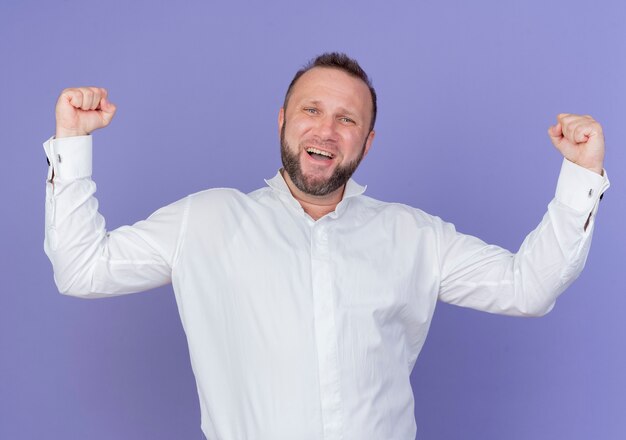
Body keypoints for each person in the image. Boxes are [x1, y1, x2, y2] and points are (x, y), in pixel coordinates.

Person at [43, 52, 609, 440]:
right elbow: (82, 270)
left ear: (367, 139)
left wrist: (582, 177)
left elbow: (527, 288)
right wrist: (72, 140)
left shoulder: (414, 236)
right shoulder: (205, 220)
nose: (326, 130)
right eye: (312, 110)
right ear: (283, 119)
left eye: (347, 119)